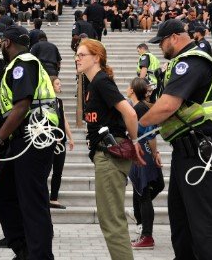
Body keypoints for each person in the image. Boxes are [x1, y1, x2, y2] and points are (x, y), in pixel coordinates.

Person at [140, 20, 212, 260]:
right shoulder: (181, 63)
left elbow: (168, 106)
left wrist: (137, 127)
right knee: (182, 223)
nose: (159, 47)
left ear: (173, 37)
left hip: (202, 151)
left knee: (206, 225)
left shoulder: (192, 61)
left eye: (161, 42)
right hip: (187, 151)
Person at [0, 25, 59, 260]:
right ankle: (24, 249)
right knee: (6, 192)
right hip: (24, 138)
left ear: (7, 43)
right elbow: (2, 93)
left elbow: (22, 105)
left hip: (33, 136)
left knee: (32, 199)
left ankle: (38, 255)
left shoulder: (24, 63)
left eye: (1, 41)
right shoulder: (18, 66)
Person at [78, 38, 144, 260]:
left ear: (96, 57)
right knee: (112, 219)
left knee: (111, 220)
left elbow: (131, 113)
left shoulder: (101, 82)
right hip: (105, 154)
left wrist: (135, 142)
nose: (77, 59)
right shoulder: (93, 83)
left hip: (110, 155)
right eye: (76, 55)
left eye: (82, 55)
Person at [128, 78, 164, 250]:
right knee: (146, 190)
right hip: (145, 152)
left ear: (133, 91)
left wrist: (155, 153)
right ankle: (141, 219)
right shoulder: (143, 107)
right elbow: (152, 134)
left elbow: (149, 135)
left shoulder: (137, 109)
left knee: (144, 193)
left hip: (140, 152)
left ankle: (146, 234)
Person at [49, 77, 75, 210]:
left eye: (60, 83)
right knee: (45, 170)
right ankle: (41, 198)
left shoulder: (59, 101)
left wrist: (70, 137)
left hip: (61, 141)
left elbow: (63, 120)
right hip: (49, 141)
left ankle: (54, 198)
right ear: (51, 85)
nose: (60, 85)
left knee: (58, 171)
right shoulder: (47, 101)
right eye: (57, 83)